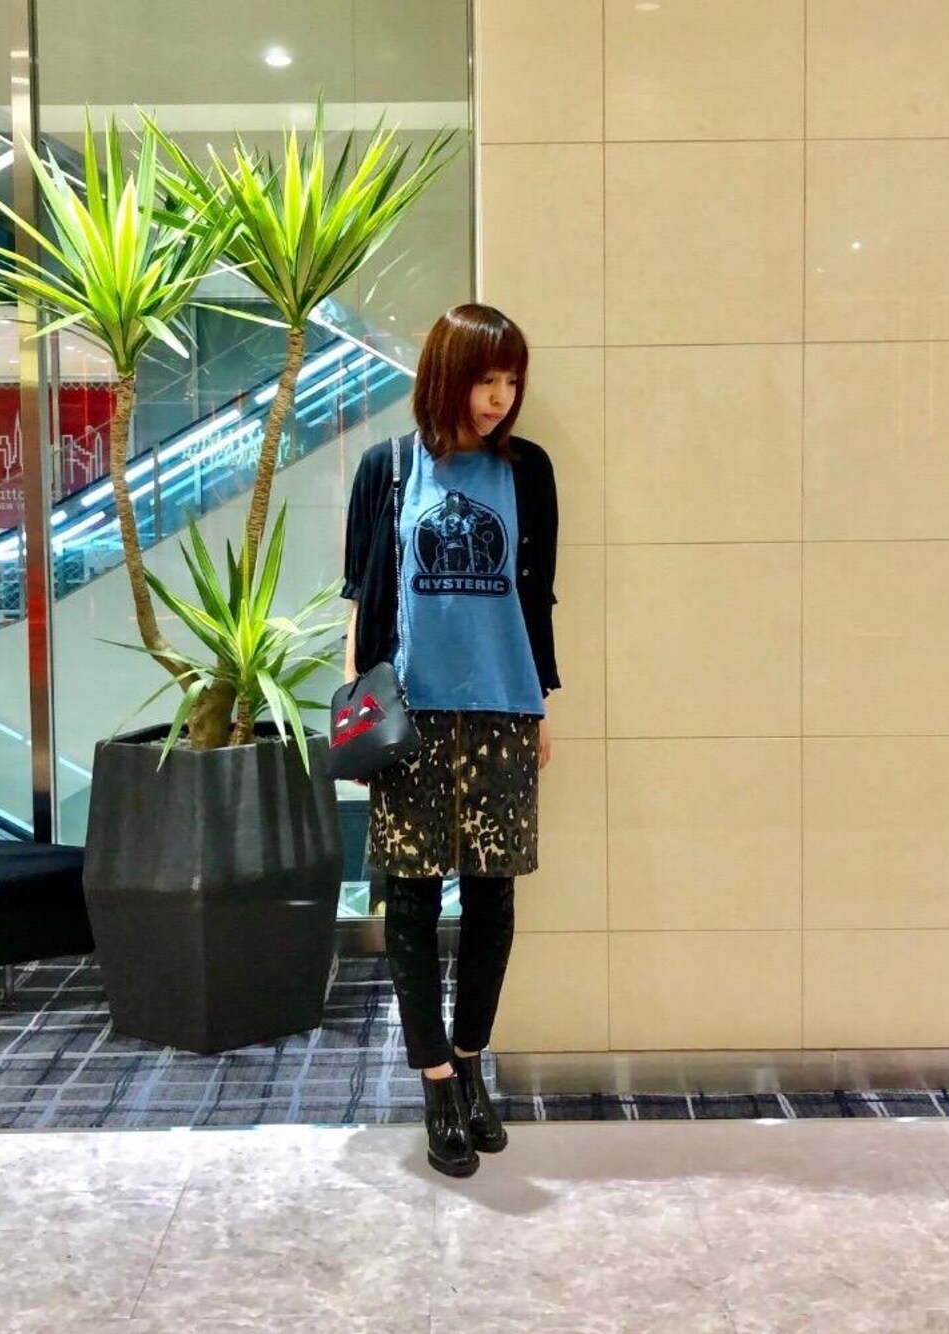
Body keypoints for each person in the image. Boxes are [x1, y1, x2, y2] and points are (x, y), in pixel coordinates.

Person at [342, 303, 559, 1178]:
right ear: (445, 376)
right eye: (484, 379)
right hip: (413, 713)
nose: (499, 398)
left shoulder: (529, 472)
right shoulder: (388, 468)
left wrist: (542, 706)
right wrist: (360, 719)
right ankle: (434, 1081)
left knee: (493, 899)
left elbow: (536, 600)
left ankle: (470, 1064)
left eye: (511, 381)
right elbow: (362, 603)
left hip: (504, 710)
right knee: (413, 900)